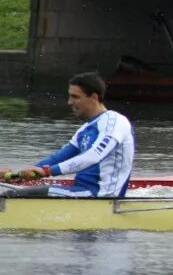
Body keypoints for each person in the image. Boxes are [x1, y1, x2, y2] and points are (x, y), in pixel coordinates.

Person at [1, 71, 135, 198]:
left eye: (75, 97)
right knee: (7, 189)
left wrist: (48, 172)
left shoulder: (115, 122)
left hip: (100, 195)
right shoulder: (85, 129)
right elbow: (59, 157)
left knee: (12, 195)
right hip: (81, 191)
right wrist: (22, 174)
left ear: (94, 97)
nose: (69, 102)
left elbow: (93, 157)